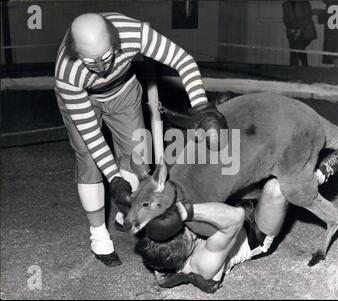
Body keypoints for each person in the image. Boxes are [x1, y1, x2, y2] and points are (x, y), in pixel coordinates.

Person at [54, 12, 227, 267]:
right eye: (90, 61)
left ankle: (129, 213)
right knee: (89, 160)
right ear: (75, 51)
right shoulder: (67, 72)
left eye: (105, 56)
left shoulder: (133, 33)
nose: (101, 68)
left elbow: (184, 60)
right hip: (84, 98)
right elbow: (92, 136)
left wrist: (203, 108)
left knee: (135, 153)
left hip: (123, 90)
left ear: (115, 40)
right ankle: (98, 235)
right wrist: (114, 179)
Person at [135, 133, 338, 293]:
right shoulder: (203, 265)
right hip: (252, 231)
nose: (185, 229)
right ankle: (323, 171)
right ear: (187, 251)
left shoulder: (158, 250)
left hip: (229, 209)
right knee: (278, 188)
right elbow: (235, 219)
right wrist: (184, 212)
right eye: (186, 233)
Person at [282, 0, 317, 66]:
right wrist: (292, 29)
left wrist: (299, 30)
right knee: (297, 50)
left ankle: (296, 69)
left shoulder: (304, 2)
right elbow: (286, 20)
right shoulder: (285, 4)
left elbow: (308, 18)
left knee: (296, 49)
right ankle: (304, 67)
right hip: (293, 33)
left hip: (306, 31)